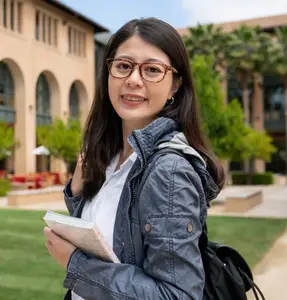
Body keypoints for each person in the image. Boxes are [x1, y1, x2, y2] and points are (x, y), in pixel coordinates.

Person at [43, 17, 225, 300]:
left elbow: (177, 295)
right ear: (109, 73)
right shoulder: (110, 158)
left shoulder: (169, 170)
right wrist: (78, 196)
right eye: (123, 66)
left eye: (152, 69)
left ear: (175, 86)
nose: (133, 80)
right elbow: (113, 239)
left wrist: (75, 264)